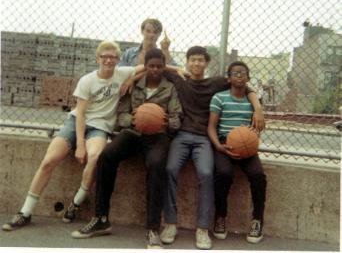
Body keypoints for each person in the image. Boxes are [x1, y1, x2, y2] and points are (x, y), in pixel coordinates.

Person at [2, 41, 141, 231]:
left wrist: (132, 79)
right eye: (104, 56)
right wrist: (80, 144)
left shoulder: (123, 73)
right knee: (50, 160)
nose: (108, 60)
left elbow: (150, 67)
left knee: (95, 157)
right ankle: (25, 212)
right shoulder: (87, 80)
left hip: (100, 126)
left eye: (113, 57)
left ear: (118, 59)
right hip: (77, 122)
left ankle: (76, 202)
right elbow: (81, 114)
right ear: (97, 58)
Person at [71, 48, 183, 249]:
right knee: (106, 156)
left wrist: (166, 123)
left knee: (157, 165)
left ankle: (152, 228)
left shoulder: (170, 88)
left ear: (163, 67)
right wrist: (132, 120)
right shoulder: (132, 85)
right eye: (151, 66)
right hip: (133, 133)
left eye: (159, 66)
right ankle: (101, 218)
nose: (155, 70)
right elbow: (121, 111)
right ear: (146, 66)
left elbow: (177, 115)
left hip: (158, 136)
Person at [160, 46, 265, 250]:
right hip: (182, 135)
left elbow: (244, 84)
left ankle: (202, 229)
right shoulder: (180, 80)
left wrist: (258, 107)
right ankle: (171, 224)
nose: (197, 63)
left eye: (201, 60)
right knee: (170, 169)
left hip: (204, 139)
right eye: (193, 60)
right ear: (187, 61)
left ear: (207, 63)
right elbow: (156, 67)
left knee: (207, 173)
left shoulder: (215, 82)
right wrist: (174, 65)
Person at [207, 61, 267, 244]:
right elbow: (211, 126)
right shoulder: (219, 97)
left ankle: (257, 220)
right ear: (229, 78)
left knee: (258, 176)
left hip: (246, 145)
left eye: (243, 73)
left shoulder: (253, 101)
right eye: (235, 73)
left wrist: (254, 133)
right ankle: (221, 216)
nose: (239, 75)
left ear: (248, 77)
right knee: (224, 174)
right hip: (225, 144)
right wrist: (218, 146)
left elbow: (258, 128)